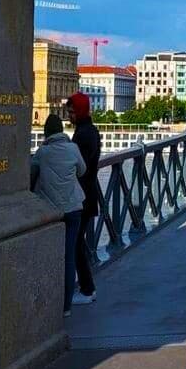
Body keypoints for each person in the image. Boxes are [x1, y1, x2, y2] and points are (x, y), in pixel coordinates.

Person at [30, 113, 86, 316]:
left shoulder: (42, 152)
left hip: (51, 211)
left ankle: (46, 301)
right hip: (73, 208)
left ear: (46, 132)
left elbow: (31, 175)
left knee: (49, 255)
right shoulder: (73, 148)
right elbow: (82, 170)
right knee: (69, 257)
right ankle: (66, 306)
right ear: (61, 131)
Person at [64, 92, 101, 305]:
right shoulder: (90, 131)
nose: (69, 115)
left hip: (82, 196)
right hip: (89, 194)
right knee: (79, 243)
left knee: (76, 244)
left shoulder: (82, 134)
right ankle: (87, 287)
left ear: (78, 111)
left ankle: (87, 289)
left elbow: (80, 167)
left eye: (71, 111)